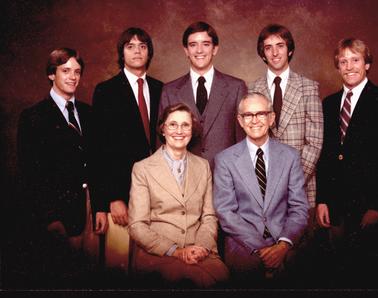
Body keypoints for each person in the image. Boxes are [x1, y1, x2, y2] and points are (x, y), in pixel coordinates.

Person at [316, 38, 378, 287]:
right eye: (343, 61)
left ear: (367, 64)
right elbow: (325, 155)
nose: (349, 66)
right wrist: (322, 198)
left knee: (367, 273)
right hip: (336, 204)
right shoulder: (329, 104)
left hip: (369, 205)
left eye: (355, 60)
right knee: (336, 272)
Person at [17, 48, 107, 284]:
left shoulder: (89, 113)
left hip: (87, 209)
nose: (72, 77)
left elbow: (97, 164)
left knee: (90, 276)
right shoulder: (33, 117)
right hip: (57, 215)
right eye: (65, 70)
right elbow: (30, 175)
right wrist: (50, 218)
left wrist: (99, 207)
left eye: (77, 72)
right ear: (51, 74)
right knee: (61, 278)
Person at [128, 103, 229, 288]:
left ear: (192, 130)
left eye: (185, 125)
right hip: (159, 253)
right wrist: (176, 251)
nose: (179, 131)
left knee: (222, 277)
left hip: (199, 250)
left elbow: (209, 216)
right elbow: (137, 226)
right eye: (173, 124)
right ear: (163, 129)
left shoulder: (203, 165)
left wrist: (201, 248)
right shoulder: (142, 168)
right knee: (194, 280)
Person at [213, 92, 309, 286]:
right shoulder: (225, 159)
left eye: (261, 114)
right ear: (240, 120)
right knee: (248, 273)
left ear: (271, 118)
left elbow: (299, 208)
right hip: (244, 243)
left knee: (300, 270)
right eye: (248, 115)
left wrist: (283, 245)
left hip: (284, 237)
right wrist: (264, 249)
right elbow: (226, 212)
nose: (254, 120)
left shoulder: (290, 156)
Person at [90, 27, 163, 272]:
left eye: (142, 46)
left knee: (152, 264)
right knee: (120, 265)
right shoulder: (106, 91)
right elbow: (99, 150)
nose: (137, 51)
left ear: (149, 52)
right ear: (122, 52)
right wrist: (112, 198)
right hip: (121, 193)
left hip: (157, 193)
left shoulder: (161, 88)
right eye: (130, 46)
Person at [249, 24, 323, 209]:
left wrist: (291, 184)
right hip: (262, 189)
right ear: (262, 53)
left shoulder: (308, 88)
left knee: (299, 237)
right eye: (268, 47)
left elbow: (314, 143)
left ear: (289, 50)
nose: (274, 52)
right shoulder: (252, 90)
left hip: (301, 188)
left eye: (280, 46)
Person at [158, 21, 247, 169]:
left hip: (225, 177)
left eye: (205, 44)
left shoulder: (236, 87)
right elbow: (161, 141)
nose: (199, 50)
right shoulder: (170, 90)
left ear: (215, 49)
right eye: (193, 45)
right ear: (186, 50)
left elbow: (242, 141)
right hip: (182, 176)